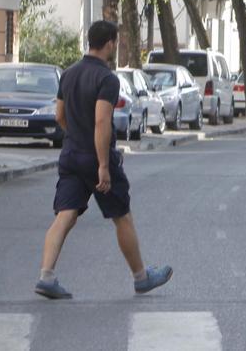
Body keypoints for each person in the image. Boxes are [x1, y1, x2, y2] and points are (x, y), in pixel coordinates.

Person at [35, 20, 172, 299]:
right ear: (109, 43)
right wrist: (103, 165)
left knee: (65, 215)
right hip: (95, 157)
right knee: (121, 215)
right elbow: (101, 121)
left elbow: (59, 115)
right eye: (115, 42)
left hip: (71, 155)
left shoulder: (69, 74)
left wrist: (74, 137)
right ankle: (141, 277)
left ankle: (46, 276)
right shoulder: (107, 79)